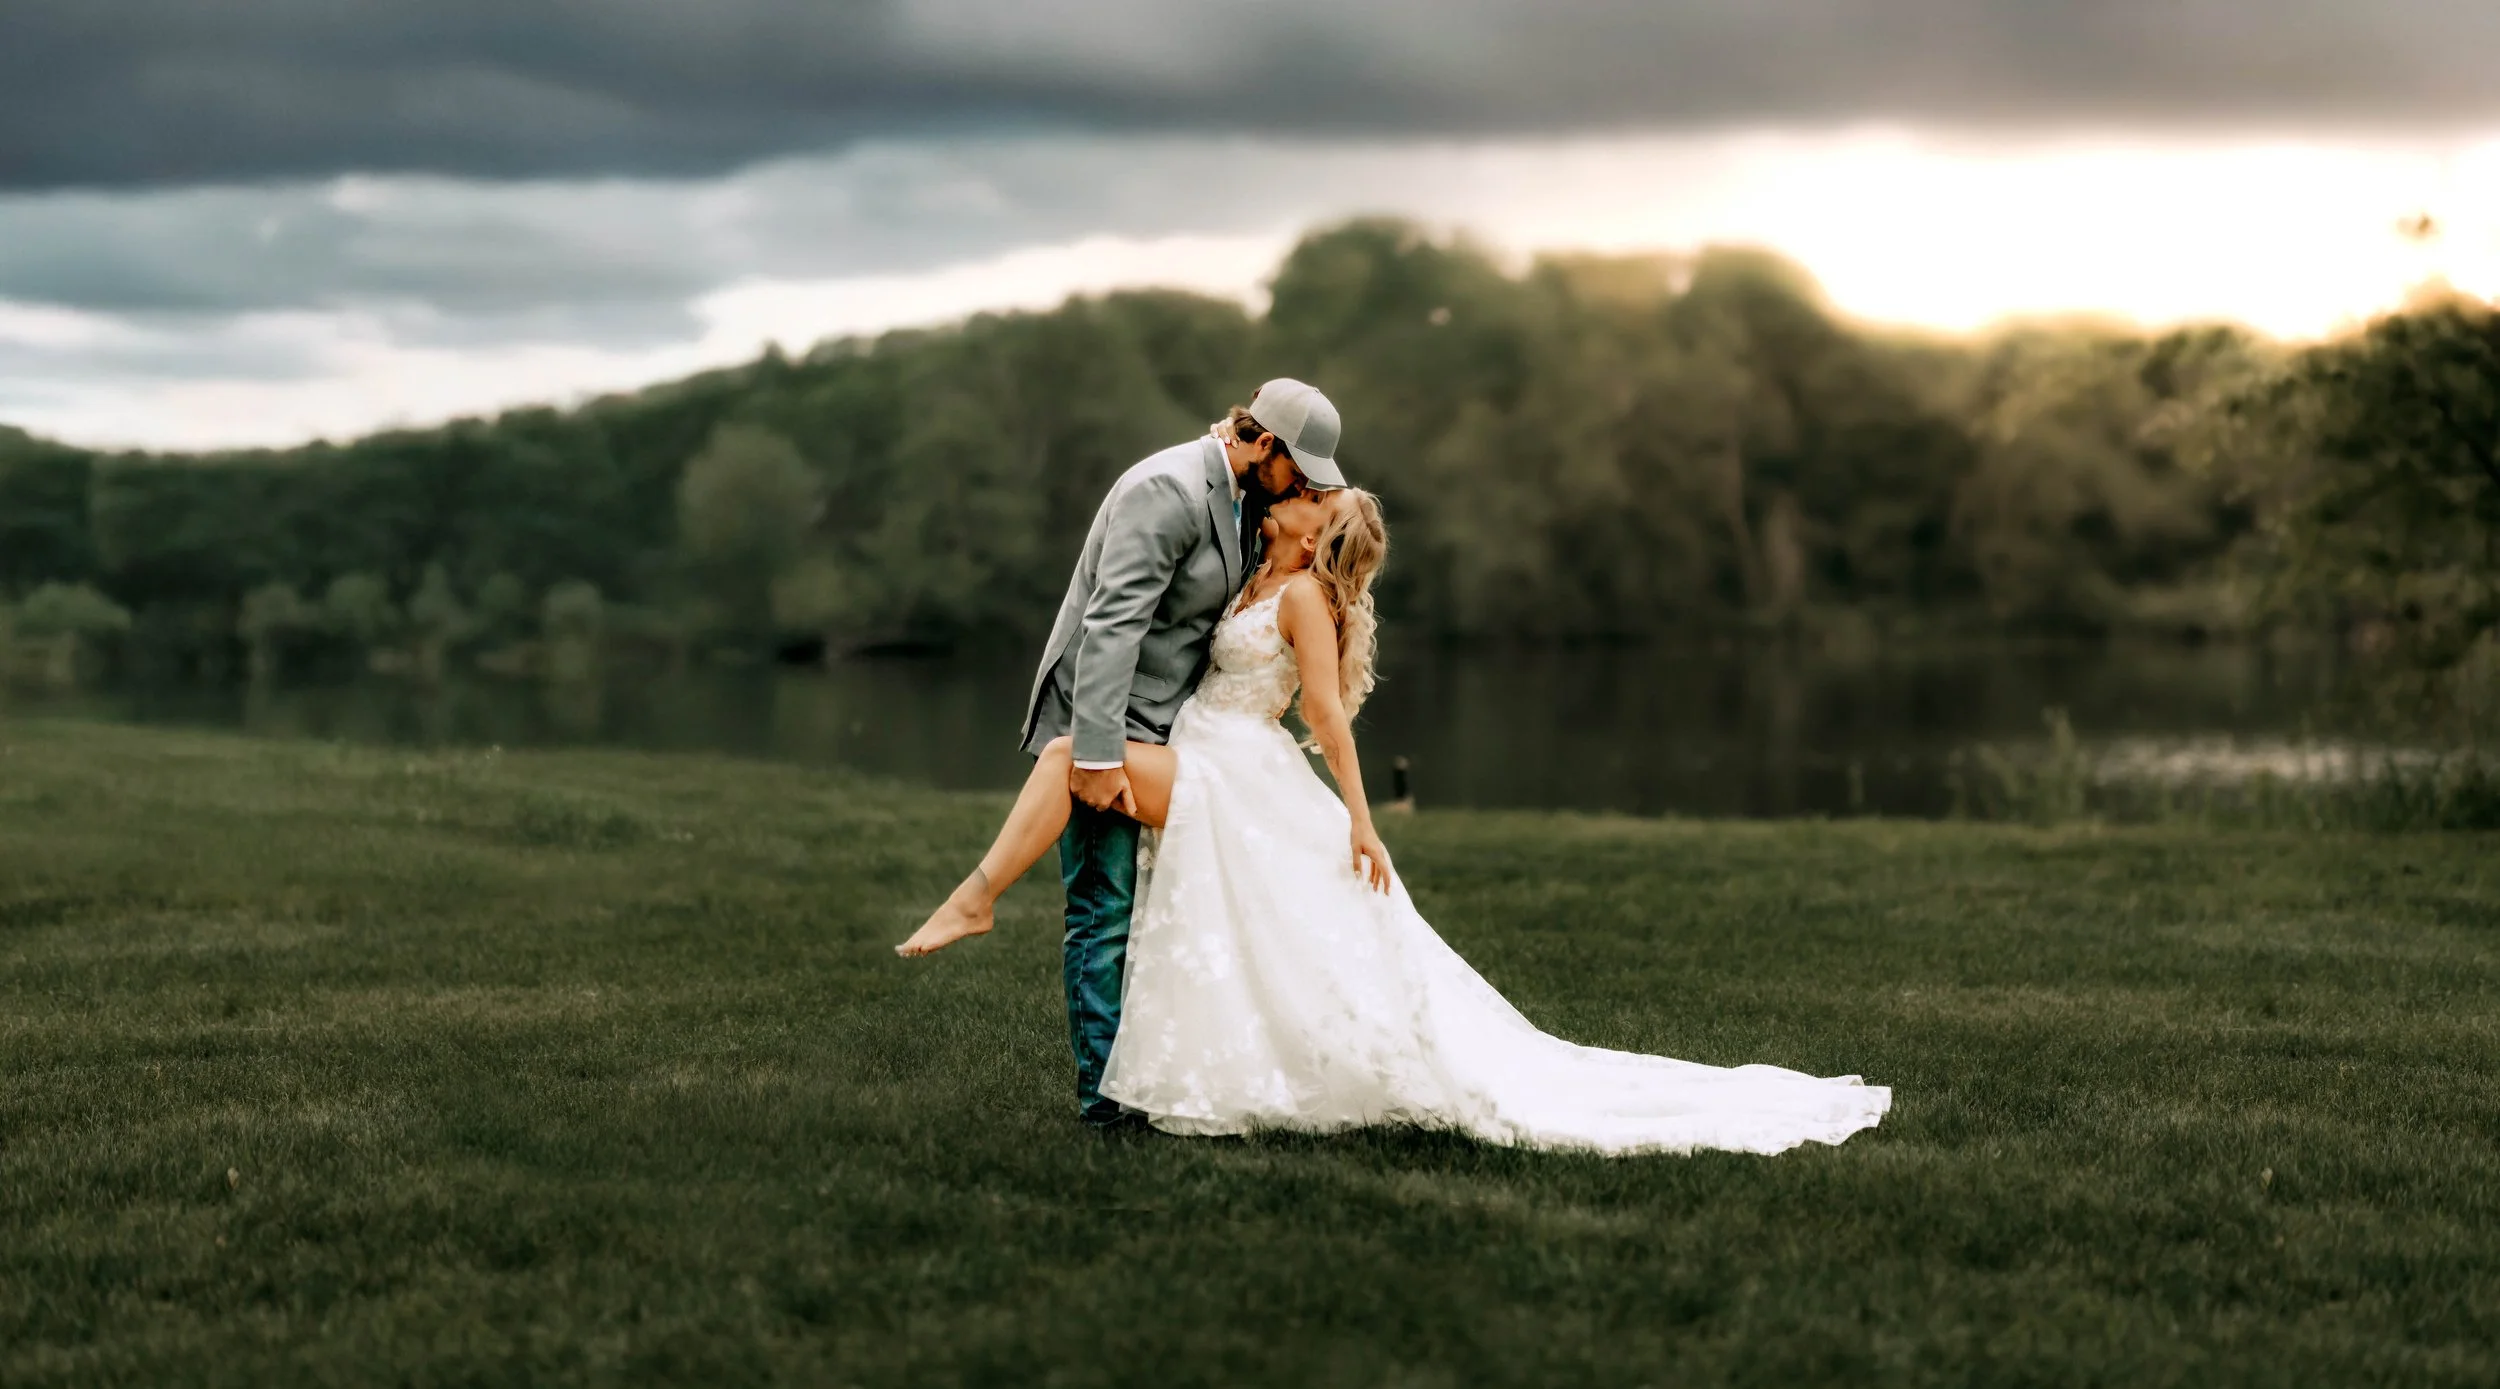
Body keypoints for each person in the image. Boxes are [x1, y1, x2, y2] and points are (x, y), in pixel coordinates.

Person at [900, 475, 1892, 1155]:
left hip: (1232, 768)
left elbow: (1326, 717)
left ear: (1313, 530)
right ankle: (985, 899)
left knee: (1078, 750)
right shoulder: (1262, 569)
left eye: (1310, 497)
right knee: (1098, 770)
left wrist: (1363, 823)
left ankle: (981, 895)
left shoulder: (1301, 604)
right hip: (1208, 750)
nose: (1296, 495)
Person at [896, 380, 1333, 1127]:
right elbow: (1111, 627)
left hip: (1162, 732)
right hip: (1105, 722)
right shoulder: (1164, 489)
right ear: (1266, 446)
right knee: (1102, 915)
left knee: (1138, 917)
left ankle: (1136, 1082)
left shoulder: (1237, 499)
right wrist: (1095, 757)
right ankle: (1106, 1108)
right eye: (1302, 470)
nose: (1304, 487)